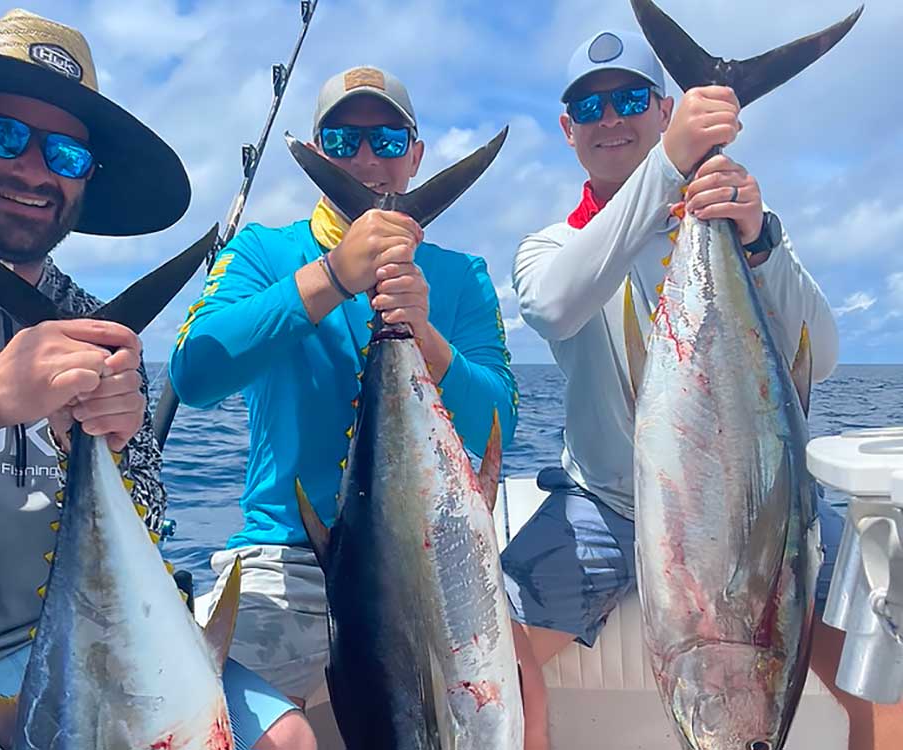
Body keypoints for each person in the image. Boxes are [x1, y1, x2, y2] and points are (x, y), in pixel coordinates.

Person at [0, 10, 313, 749]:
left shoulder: (91, 324)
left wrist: (118, 452)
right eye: (2, 134)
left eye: (64, 153)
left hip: (81, 633)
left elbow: (152, 525)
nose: (33, 170)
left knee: (285, 739)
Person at [504, 27, 903, 750]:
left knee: (889, 668)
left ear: (661, 109)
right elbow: (555, 304)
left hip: (757, 507)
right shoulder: (553, 247)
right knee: (488, 657)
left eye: (629, 99)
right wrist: (670, 165)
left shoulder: (734, 223)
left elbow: (827, 352)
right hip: (606, 506)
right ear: (567, 130)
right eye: (590, 108)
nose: (611, 119)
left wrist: (759, 241)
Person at [169, 64, 530, 735]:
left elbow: (498, 423)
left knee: (522, 701)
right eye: (342, 141)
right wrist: (334, 276)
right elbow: (195, 372)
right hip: (285, 563)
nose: (366, 159)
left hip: (434, 555)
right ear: (318, 151)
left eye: (388, 141)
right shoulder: (266, 254)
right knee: (207, 726)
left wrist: (425, 338)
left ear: (416, 154)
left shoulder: (461, 276)